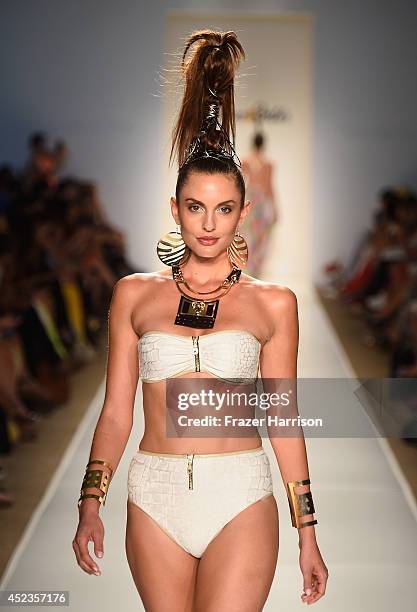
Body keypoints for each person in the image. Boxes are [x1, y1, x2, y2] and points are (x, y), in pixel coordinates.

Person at [72, 29, 328, 610]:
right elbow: (116, 410)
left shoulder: (273, 304)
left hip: (239, 491)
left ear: (243, 211)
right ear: (174, 209)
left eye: (224, 208)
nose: (209, 225)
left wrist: (307, 531)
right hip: (153, 493)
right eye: (195, 207)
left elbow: (283, 420)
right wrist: (91, 500)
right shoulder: (134, 296)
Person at [241, 131, 279, 277]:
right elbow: (270, 188)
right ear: (263, 144)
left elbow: (242, 183)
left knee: (249, 235)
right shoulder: (268, 163)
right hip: (262, 202)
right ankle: (256, 270)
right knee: (262, 237)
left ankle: (250, 270)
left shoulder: (246, 161)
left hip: (251, 199)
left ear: (253, 143)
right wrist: (275, 209)